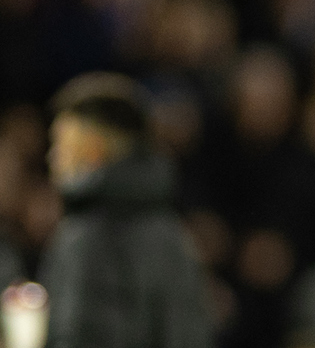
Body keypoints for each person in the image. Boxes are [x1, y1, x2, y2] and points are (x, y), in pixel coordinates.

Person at [38, 71, 214, 348]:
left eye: (61, 145)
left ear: (93, 150)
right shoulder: (171, 231)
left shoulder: (86, 235)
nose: (52, 158)